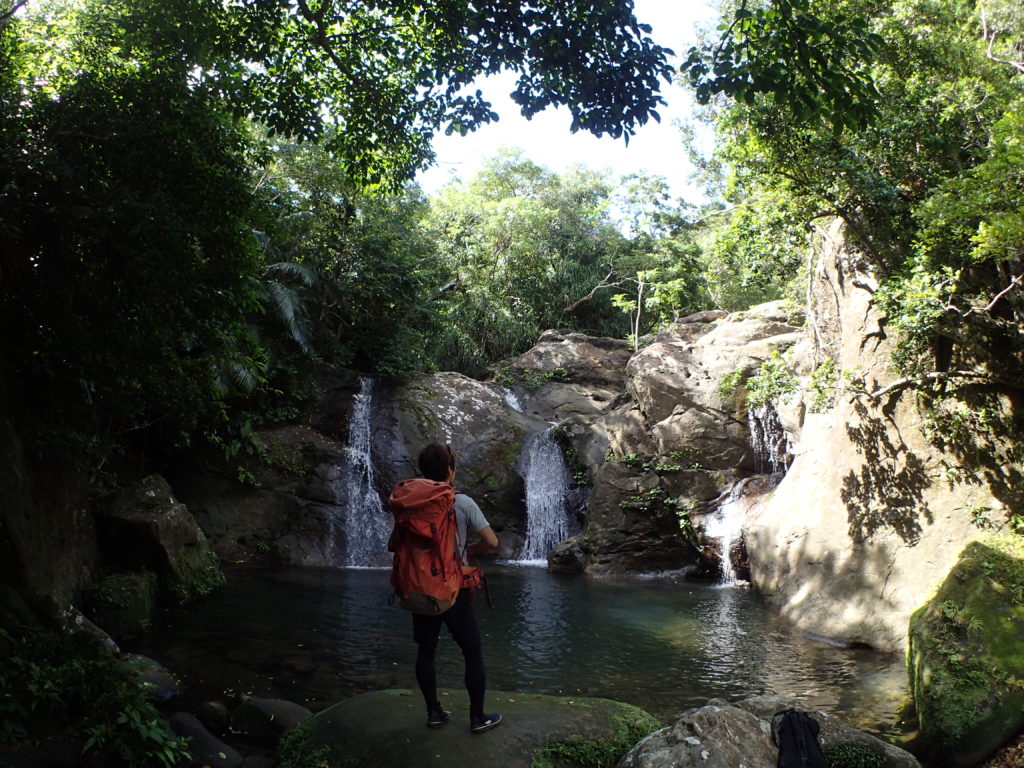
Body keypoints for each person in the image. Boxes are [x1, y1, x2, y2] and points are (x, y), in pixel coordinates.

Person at [398, 443, 502, 734]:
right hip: (454, 589)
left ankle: (433, 713)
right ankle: (478, 718)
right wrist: (466, 551)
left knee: (426, 651)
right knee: (472, 651)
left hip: (421, 586)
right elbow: (492, 542)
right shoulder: (462, 502)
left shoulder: (410, 503)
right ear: (450, 470)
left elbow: (394, 545)